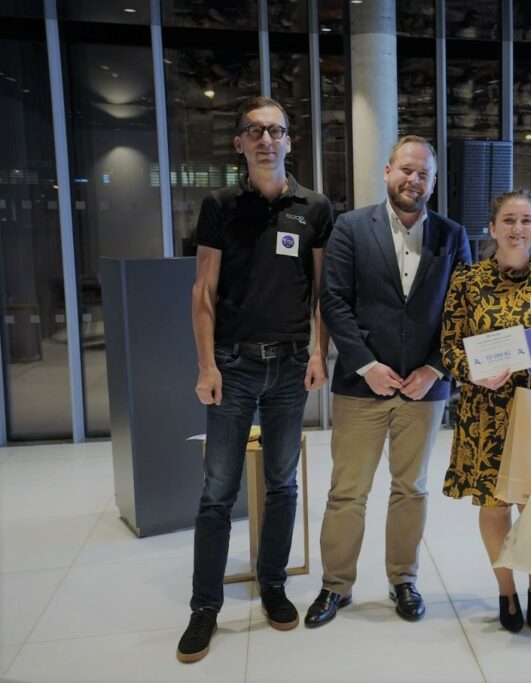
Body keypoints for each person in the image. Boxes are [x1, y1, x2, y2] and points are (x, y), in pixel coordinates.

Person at [178, 96, 333, 663]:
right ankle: (204, 606)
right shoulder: (220, 204)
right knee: (217, 491)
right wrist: (205, 365)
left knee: (283, 483)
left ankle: (273, 583)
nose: (266, 139)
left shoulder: (314, 206)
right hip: (234, 366)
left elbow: (321, 292)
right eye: (254, 131)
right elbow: (203, 291)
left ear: (290, 140)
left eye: (276, 130)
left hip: (292, 366)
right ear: (240, 143)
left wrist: (321, 353)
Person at [307, 135, 471, 627]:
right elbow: (333, 299)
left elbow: (461, 311)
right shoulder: (351, 228)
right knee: (347, 492)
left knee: (411, 489)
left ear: (434, 182)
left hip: (424, 389)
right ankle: (336, 585)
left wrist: (436, 368)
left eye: (423, 173)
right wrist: (366, 365)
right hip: (362, 387)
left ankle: (404, 579)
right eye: (405, 169)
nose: (413, 179)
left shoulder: (451, 234)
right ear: (387, 171)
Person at [440, 190, 531, 633]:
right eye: (509, 220)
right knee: (496, 506)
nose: (518, 229)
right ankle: (506, 589)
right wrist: (473, 374)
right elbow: (449, 347)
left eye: (527, 221)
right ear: (493, 227)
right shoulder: (467, 282)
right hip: (486, 413)